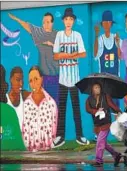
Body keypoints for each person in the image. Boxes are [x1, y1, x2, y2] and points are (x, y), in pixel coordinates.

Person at [52, 7, 89, 148]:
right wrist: (68, 55)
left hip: (74, 79)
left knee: (76, 107)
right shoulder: (59, 35)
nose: (68, 21)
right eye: (66, 19)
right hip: (63, 79)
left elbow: (84, 53)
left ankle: (79, 135)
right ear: (63, 21)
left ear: (73, 21)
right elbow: (56, 55)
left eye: (71, 19)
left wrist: (72, 55)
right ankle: (60, 136)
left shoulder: (77, 35)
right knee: (62, 109)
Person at [8, 12, 59, 105]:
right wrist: (16, 19)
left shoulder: (58, 35)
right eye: (44, 22)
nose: (45, 24)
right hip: (43, 77)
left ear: (52, 23)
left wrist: (52, 44)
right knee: (43, 104)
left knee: (55, 105)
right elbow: (28, 26)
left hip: (56, 76)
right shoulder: (39, 33)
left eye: (48, 22)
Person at [23, 66, 58, 152]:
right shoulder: (27, 103)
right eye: (30, 81)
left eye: (36, 79)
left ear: (41, 79)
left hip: (47, 153)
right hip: (31, 154)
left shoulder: (51, 103)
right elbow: (25, 130)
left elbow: (53, 129)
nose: (33, 83)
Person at [85, 83, 121, 167]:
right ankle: (116, 154)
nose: (97, 89)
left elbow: (112, 105)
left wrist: (119, 112)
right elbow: (87, 109)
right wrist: (95, 111)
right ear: (92, 90)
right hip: (97, 123)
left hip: (106, 122)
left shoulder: (105, 96)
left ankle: (99, 160)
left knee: (100, 141)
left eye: (98, 87)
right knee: (103, 142)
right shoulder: (89, 99)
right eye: (95, 88)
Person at [94, 10, 122, 107]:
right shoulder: (100, 39)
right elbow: (95, 54)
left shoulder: (116, 38)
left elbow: (120, 56)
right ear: (102, 24)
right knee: (104, 107)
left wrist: (118, 44)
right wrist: (96, 35)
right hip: (104, 81)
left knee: (115, 107)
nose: (107, 24)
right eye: (105, 22)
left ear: (111, 24)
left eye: (109, 22)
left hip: (115, 80)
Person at [0, 64, 26, 151]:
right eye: (18, 80)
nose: (21, 84)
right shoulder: (9, 111)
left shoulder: (8, 111)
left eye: (22, 80)